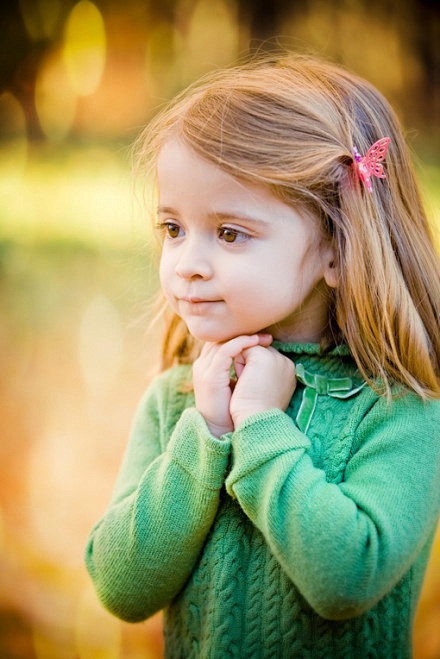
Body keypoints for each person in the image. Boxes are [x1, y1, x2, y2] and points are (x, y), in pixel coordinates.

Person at [85, 54, 440, 657]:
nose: (187, 262)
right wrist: (209, 433)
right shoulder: (181, 402)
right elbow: (120, 587)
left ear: (335, 247)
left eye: (229, 233)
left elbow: (346, 579)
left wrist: (261, 427)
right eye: (173, 228)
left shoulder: (401, 409)